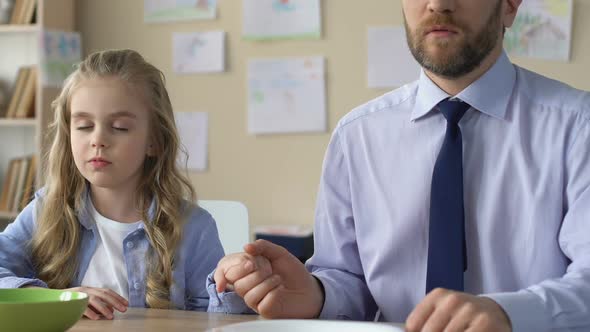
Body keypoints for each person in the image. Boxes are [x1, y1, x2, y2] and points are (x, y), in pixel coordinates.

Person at [208, 0, 590, 331]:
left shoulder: (578, 126)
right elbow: (350, 281)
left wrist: (508, 315)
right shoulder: (357, 135)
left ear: (509, 5)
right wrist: (315, 294)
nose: (438, 4)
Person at [0, 49, 225, 320]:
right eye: (83, 126)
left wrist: (235, 286)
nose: (98, 140)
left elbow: (217, 321)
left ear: (154, 141)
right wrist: (58, 300)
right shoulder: (46, 211)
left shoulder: (195, 228)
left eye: (119, 127)